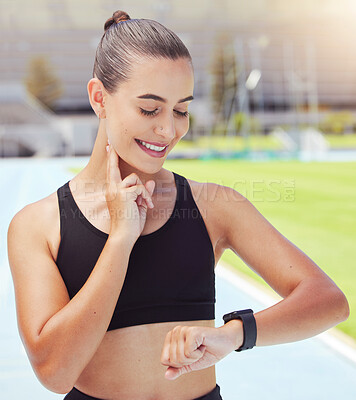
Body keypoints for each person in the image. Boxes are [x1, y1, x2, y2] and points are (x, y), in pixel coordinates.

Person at [7, 10, 349, 400]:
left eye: (181, 110)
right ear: (99, 98)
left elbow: (328, 301)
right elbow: (54, 373)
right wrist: (120, 241)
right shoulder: (38, 225)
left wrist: (232, 335)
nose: (168, 131)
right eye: (149, 109)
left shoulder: (213, 206)